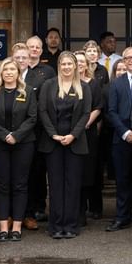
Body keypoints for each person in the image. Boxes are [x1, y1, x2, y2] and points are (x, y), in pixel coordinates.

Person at [38, 51, 92, 238]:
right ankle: (56, 226)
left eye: (70, 64)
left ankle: (70, 225)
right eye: (63, 64)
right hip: (52, 143)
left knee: (72, 185)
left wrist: (72, 135)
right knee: (55, 185)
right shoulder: (48, 85)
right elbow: (43, 111)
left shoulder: (84, 87)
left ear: (75, 66)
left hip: (74, 143)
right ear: (59, 66)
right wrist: (53, 134)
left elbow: (86, 114)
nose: (67, 67)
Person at [0, 58, 38, 242]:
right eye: (5, 69)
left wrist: (16, 135)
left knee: (20, 185)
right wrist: (5, 135)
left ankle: (16, 226)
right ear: (1, 73)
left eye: (12, 69)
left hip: (23, 144)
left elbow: (32, 118)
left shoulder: (28, 92)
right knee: (2, 185)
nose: (8, 72)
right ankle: (3, 228)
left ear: (18, 72)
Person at [106, 46, 132, 232]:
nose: (131, 60)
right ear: (123, 61)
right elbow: (111, 112)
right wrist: (125, 132)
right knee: (123, 180)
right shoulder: (116, 83)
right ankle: (122, 217)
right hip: (121, 139)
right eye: (128, 58)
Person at [23, 35, 56, 230]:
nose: (34, 50)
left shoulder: (48, 71)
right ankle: (25, 209)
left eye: (37, 47)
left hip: (42, 129)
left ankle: (39, 206)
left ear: (41, 50)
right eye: (31, 47)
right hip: (23, 129)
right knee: (26, 171)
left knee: (39, 169)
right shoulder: (18, 70)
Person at [75, 50, 104, 227]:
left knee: (89, 170)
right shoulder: (65, 83)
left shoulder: (93, 84)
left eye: (82, 62)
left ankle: (91, 207)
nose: (79, 65)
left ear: (87, 64)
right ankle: (77, 209)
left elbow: (98, 106)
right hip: (71, 134)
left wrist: (86, 123)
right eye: (75, 61)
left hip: (88, 132)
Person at [82, 40, 109, 218]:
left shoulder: (101, 72)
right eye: (88, 51)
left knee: (95, 168)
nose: (92, 54)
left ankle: (96, 207)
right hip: (80, 128)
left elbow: (102, 101)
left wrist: (96, 123)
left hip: (96, 125)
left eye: (94, 51)